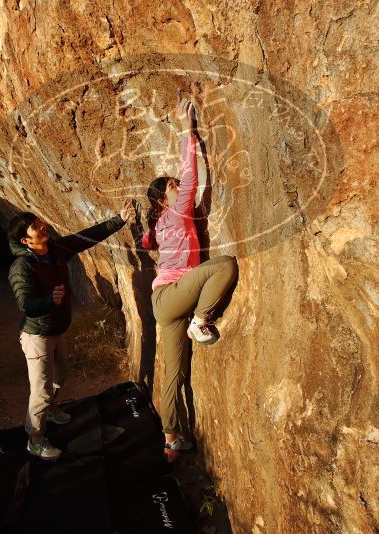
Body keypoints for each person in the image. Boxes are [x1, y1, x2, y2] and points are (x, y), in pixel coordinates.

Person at [141, 97, 238, 461]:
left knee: (174, 372)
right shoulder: (177, 212)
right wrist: (187, 126)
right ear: (164, 200)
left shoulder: (163, 222)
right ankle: (201, 321)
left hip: (166, 302)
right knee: (225, 264)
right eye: (171, 186)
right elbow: (194, 174)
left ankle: (171, 438)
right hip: (172, 296)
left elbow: (146, 239)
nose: (177, 185)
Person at [8, 200, 134, 460]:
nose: (40, 226)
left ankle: (50, 409)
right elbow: (26, 304)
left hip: (56, 329)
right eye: (34, 226)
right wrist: (49, 300)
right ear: (25, 241)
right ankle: (35, 438)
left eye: (37, 221)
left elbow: (84, 238)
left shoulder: (54, 249)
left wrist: (118, 220)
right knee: (40, 390)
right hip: (37, 335)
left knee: (62, 374)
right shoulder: (22, 267)